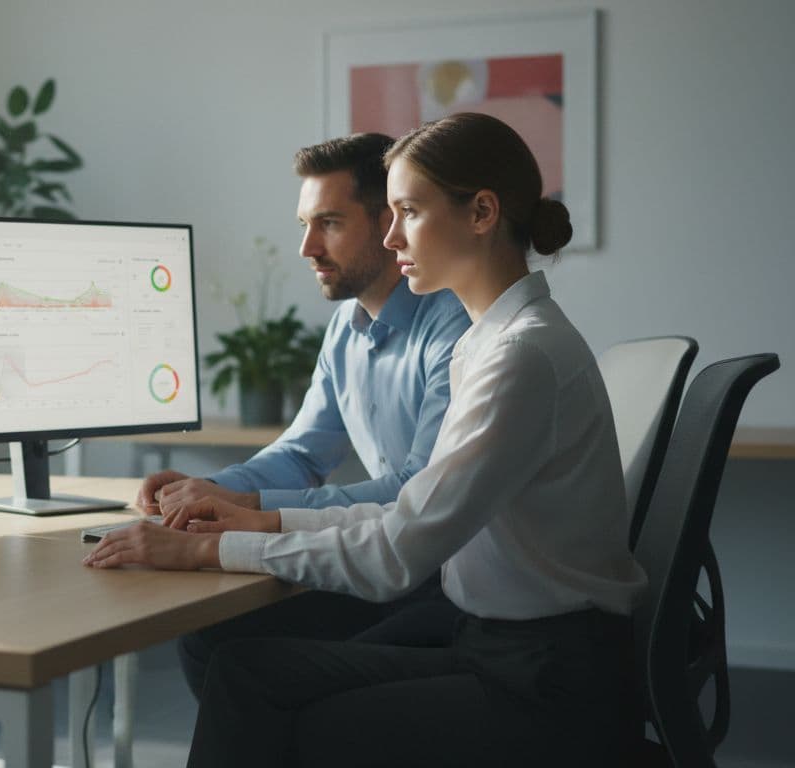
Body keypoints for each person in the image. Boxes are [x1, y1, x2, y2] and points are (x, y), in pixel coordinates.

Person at [84, 112, 647, 767]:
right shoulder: (490, 342)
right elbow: (405, 511)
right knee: (245, 670)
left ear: (482, 213)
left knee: (252, 687)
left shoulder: (518, 358)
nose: (391, 232)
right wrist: (245, 518)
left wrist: (210, 551)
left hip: (544, 676)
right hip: (503, 639)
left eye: (407, 210)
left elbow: (397, 550)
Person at [137, 133, 471, 696]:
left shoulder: (454, 325)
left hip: (446, 583)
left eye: (330, 224)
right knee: (207, 638)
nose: (307, 248)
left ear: (390, 223)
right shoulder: (346, 327)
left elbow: (418, 488)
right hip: (383, 560)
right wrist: (208, 488)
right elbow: (302, 453)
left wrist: (245, 505)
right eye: (304, 225)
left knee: (236, 656)